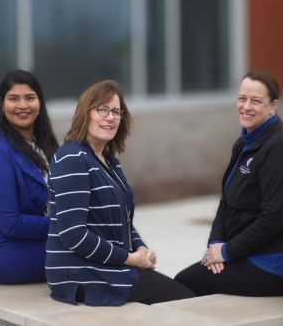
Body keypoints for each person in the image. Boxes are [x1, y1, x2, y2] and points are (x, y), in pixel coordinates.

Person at [45, 80, 194, 306]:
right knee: (187, 302)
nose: (111, 117)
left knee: (188, 297)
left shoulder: (110, 162)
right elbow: (73, 233)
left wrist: (140, 247)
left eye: (116, 111)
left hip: (110, 266)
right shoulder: (72, 159)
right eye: (102, 109)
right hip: (83, 274)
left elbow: (122, 219)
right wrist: (130, 258)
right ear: (84, 114)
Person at [174, 71, 283, 296]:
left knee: (185, 282)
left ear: (272, 106)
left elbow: (273, 218)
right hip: (245, 253)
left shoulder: (279, 149)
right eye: (242, 98)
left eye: (255, 101)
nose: (246, 106)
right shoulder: (243, 143)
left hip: (274, 263)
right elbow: (226, 202)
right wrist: (215, 244)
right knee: (191, 280)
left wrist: (226, 252)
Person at [0, 70, 59, 284]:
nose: (22, 105)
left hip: (33, 241)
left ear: (40, 102)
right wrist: (67, 227)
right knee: (90, 253)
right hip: (0, 251)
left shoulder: (44, 146)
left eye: (29, 98)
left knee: (99, 246)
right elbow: (10, 223)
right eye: (13, 98)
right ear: (2, 105)